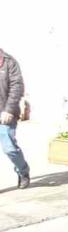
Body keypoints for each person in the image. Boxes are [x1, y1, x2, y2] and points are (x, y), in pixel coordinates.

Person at [0, 47, 29, 189]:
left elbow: (17, 86)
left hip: (4, 113)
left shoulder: (8, 62)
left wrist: (9, 110)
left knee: (9, 149)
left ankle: (23, 171)